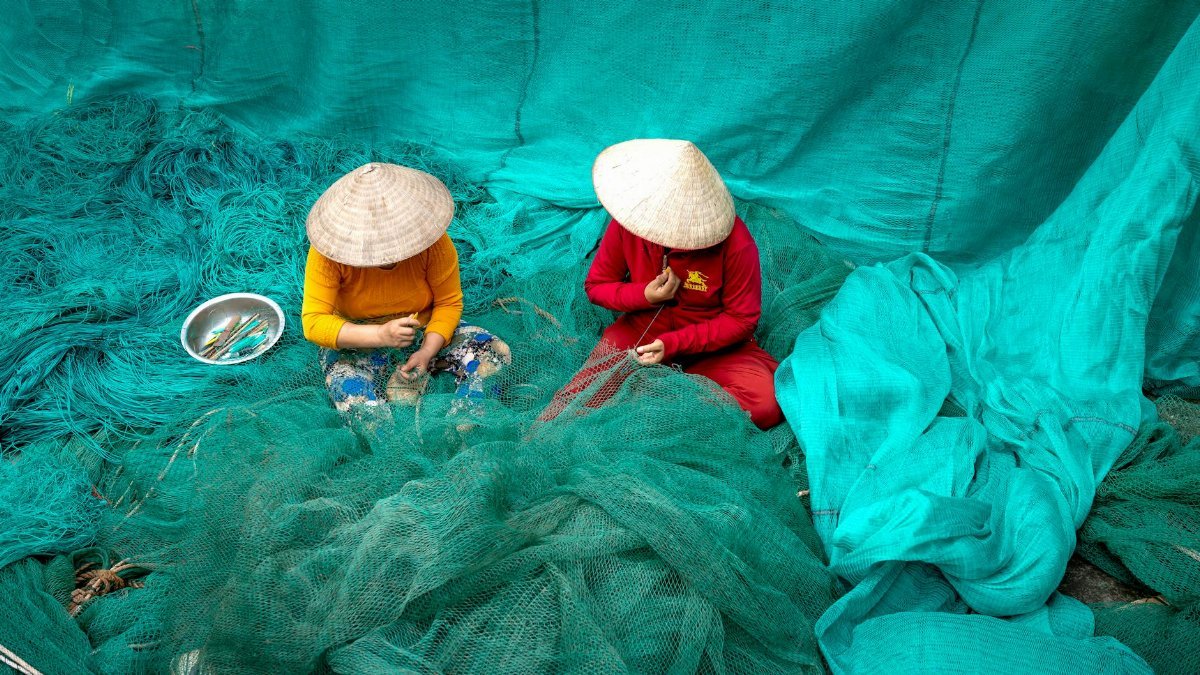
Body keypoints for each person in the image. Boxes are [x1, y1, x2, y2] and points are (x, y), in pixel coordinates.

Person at [546, 139, 783, 429]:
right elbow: (597, 286)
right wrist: (644, 295)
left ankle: (655, 411)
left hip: (715, 349)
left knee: (764, 405)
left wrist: (672, 344)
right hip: (639, 337)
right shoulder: (629, 224)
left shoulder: (737, 244)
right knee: (577, 402)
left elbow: (741, 320)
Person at [301, 162, 510, 414]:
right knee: (352, 393)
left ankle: (464, 424)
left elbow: (448, 302)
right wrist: (380, 335)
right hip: (359, 337)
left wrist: (426, 351)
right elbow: (314, 323)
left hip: (424, 328)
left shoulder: (434, 244)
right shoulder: (328, 253)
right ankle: (387, 443)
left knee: (495, 353)